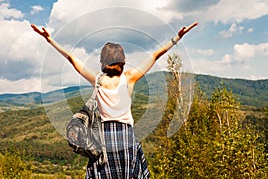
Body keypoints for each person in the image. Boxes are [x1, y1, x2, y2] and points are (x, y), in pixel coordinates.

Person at [31, 22, 198, 178]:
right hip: (126, 137)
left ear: (103, 62)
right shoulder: (130, 78)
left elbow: (72, 58)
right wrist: (177, 38)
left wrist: (50, 40)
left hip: (103, 138)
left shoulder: (97, 80)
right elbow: (155, 55)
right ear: (123, 62)